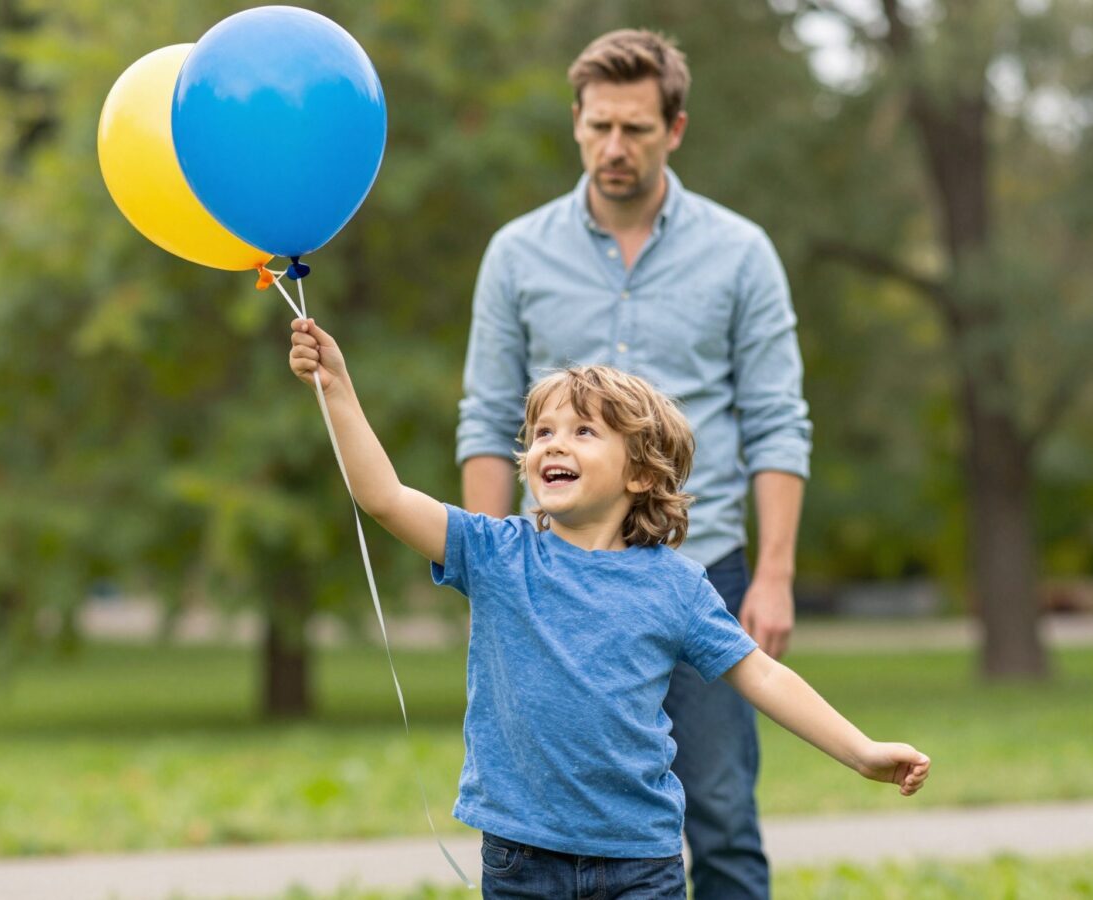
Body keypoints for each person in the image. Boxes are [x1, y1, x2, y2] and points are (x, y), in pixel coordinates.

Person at [289, 319, 929, 900]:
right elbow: (385, 498)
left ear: (641, 474)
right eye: (543, 433)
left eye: (583, 432)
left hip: (638, 864)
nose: (553, 446)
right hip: (521, 858)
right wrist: (337, 386)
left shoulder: (674, 587)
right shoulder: (498, 553)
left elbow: (761, 675)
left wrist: (861, 751)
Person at [456, 28, 811, 897]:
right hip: (557, 577)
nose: (615, 147)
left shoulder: (740, 252)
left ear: (675, 128)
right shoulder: (517, 253)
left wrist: (772, 574)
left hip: (708, 567)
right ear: (577, 123)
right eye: (599, 127)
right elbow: (486, 419)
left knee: (721, 808)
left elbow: (777, 423)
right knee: (556, 809)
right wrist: (490, 570)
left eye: (637, 130)